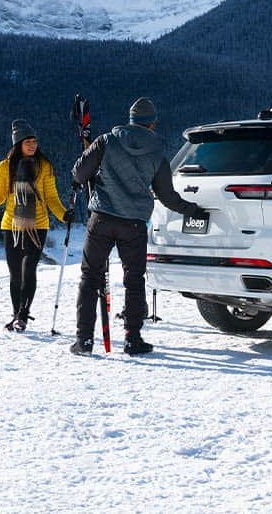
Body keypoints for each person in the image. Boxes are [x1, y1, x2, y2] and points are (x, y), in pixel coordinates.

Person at [69, 97, 206, 356]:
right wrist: (193, 210)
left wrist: (96, 173)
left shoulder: (106, 141)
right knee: (133, 280)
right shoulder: (157, 154)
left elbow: (78, 174)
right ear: (152, 124)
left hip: (101, 219)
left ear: (130, 120)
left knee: (90, 277)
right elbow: (167, 197)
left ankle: (84, 340)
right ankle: (133, 339)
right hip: (133, 224)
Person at [0, 119, 68, 332]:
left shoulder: (44, 166)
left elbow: (51, 198)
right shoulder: (5, 167)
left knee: (29, 269)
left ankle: (22, 316)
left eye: (34, 141)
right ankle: (16, 313)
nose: (32, 145)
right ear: (18, 144)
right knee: (15, 273)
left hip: (38, 226)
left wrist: (65, 215)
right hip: (11, 226)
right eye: (27, 141)